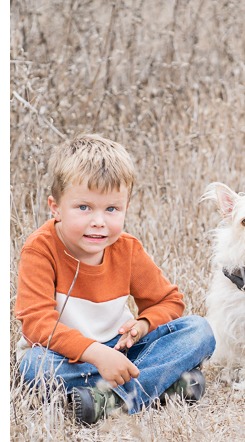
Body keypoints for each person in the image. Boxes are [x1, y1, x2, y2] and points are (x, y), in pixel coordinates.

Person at [15, 135, 216, 424]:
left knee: (199, 331)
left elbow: (169, 301)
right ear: (55, 207)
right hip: (64, 356)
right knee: (34, 367)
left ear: (125, 209)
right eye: (84, 207)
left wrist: (143, 325)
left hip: (121, 349)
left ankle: (107, 399)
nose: (99, 221)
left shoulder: (127, 248)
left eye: (111, 209)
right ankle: (161, 386)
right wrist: (95, 354)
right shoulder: (41, 248)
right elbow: (37, 325)